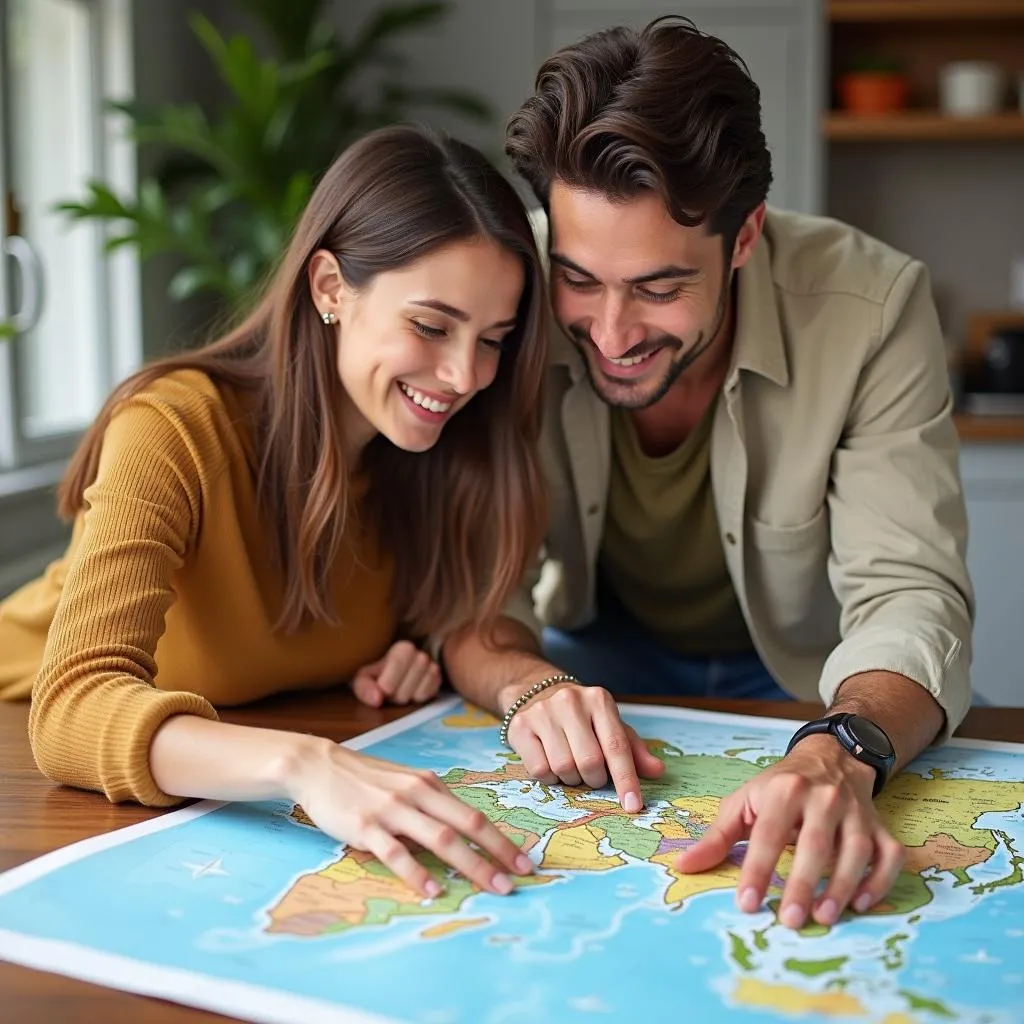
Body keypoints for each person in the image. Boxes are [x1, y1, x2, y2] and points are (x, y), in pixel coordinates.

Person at [443, 17, 974, 931]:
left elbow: (910, 594)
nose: (610, 335)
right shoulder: (504, 289)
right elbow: (471, 593)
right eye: (579, 278)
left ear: (744, 238)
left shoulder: (874, 306)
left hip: (812, 680)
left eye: (658, 288)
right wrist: (531, 687)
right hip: (594, 658)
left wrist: (838, 747)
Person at [0, 124, 547, 899]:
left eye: (494, 338)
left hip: (181, 803)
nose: (465, 375)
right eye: (430, 326)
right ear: (329, 288)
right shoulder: (175, 426)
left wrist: (411, 645)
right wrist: (305, 765)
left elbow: (434, 618)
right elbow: (70, 710)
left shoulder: (428, 462)